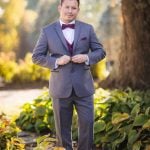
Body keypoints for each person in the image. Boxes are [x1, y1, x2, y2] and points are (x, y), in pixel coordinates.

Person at [32, 0, 106, 149]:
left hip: (84, 87)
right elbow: (37, 57)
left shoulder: (87, 29)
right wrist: (56, 61)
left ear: (78, 10)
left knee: (87, 124)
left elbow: (100, 51)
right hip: (60, 87)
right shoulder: (47, 31)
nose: (70, 11)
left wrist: (87, 58)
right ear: (60, 8)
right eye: (67, 7)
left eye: (74, 8)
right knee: (62, 130)